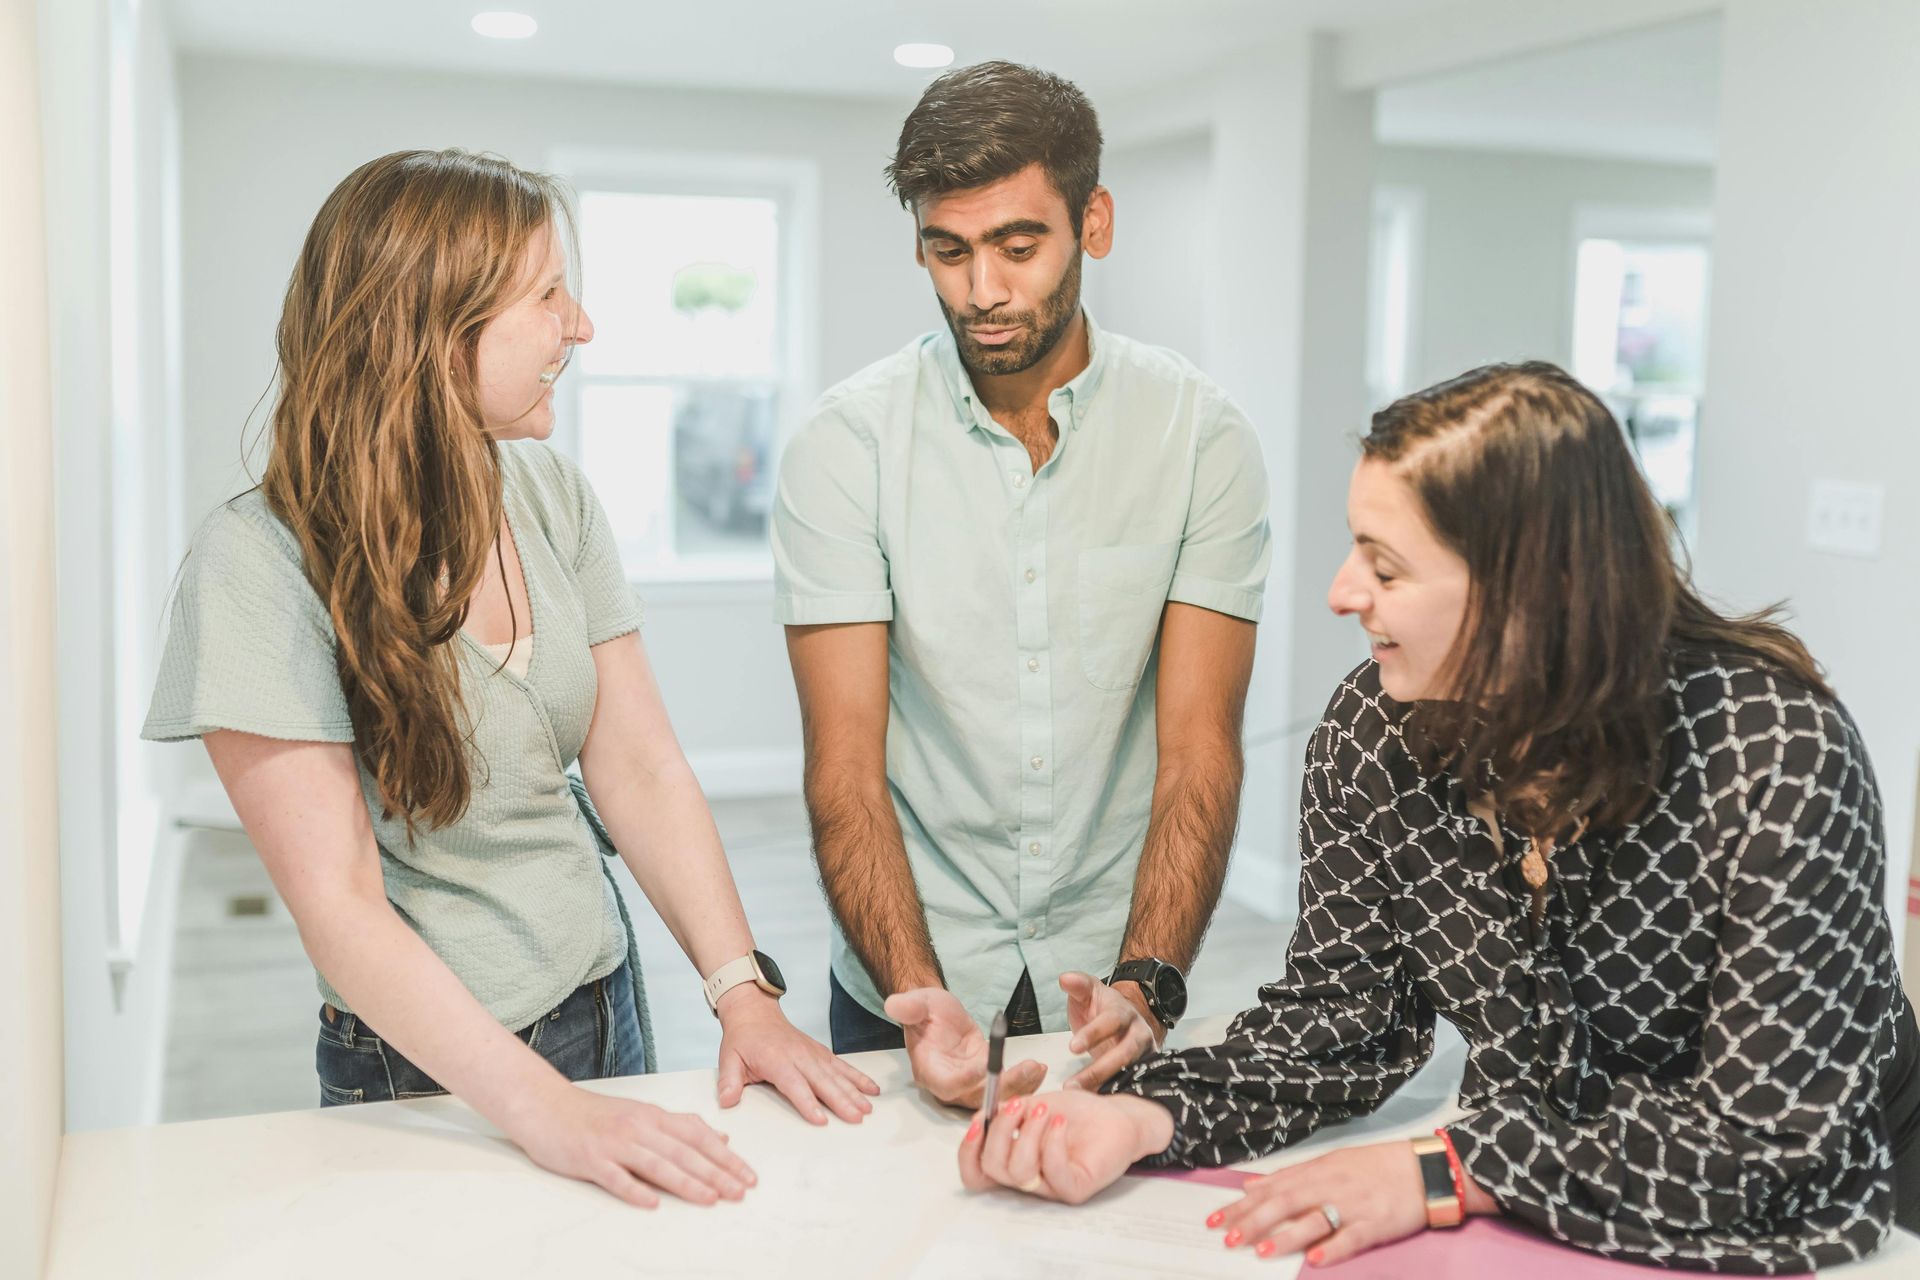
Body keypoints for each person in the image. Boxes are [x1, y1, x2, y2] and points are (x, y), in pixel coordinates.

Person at [958, 361, 1920, 1272]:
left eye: (1385, 566)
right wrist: (1142, 1118)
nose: (1342, 592)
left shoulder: (1774, 754)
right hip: (1535, 1205)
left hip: (1839, 1208)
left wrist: (1447, 1169)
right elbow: (1347, 1019)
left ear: (1533, 596)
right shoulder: (1373, 732)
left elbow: (1774, 1145)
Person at [143, 149, 877, 1209]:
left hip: (606, 1000)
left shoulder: (550, 493)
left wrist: (742, 994)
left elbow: (643, 765)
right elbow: (342, 911)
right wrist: (546, 1107)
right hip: (428, 1070)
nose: (578, 326)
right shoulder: (259, 564)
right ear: (433, 330)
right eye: (547, 295)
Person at [772, 61, 1271, 1105]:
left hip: (1112, 977)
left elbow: (1198, 751)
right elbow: (846, 767)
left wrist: (1148, 974)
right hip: (904, 971)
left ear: (1094, 222)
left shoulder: (1200, 437)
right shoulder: (844, 444)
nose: (982, 289)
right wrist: (916, 991)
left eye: (1018, 245)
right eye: (949, 250)